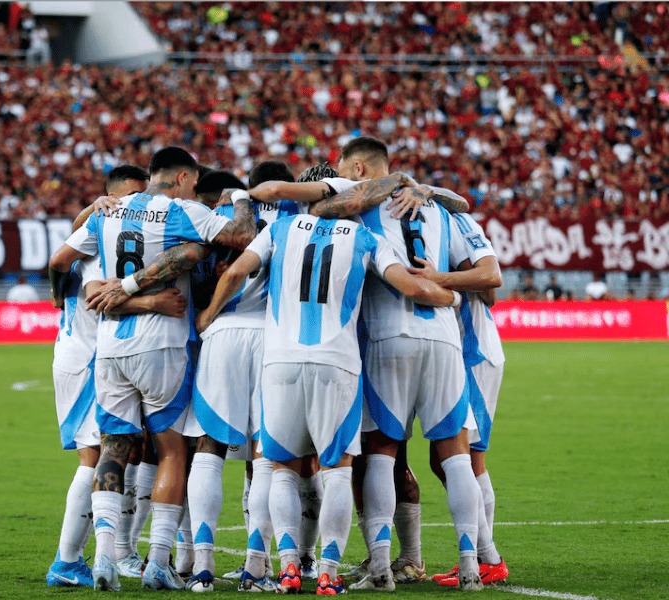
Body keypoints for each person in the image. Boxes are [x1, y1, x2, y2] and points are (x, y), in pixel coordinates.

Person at [195, 211, 457, 595]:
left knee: (282, 469)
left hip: (280, 360)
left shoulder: (282, 229)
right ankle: (329, 574)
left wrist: (207, 315)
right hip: (338, 363)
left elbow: (235, 273)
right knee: (337, 470)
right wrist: (450, 294)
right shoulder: (367, 237)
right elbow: (412, 288)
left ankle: (286, 568)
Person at [48, 147, 256, 592]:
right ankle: (159, 561)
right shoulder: (184, 210)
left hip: (108, 347)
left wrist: (58, 292)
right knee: (172, 450)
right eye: (195, 182)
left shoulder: (110, 211)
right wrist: (240, 195)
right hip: (162, 343)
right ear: (183, 177)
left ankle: (104, 558)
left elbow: (62, 258)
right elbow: (241, 236)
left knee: (113, 448)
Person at [298, 136, 486, 591]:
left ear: (358, 170)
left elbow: (318, 214)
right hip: (443, 336)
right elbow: (482, 258)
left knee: (381, 453)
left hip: (387, 335)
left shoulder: (357, 206)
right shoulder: (443, 210)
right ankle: (471, 566)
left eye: (343, 170)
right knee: (455, 455)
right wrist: (426, 189)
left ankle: (381, 568)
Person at [45, 167, 176, 588]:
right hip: (89, 358)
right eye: (138, 196)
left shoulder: (88, 236)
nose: (145, 205)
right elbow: (100, 298)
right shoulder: (103, 245)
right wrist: (156, 301)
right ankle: (70, 561)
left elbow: (60, 258)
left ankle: (109, 551)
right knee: (96, 457)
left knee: (121, 451)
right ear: (118, 198)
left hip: (75, 353)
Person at [182, 161, 302, 592]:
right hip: (272, 338)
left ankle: (202, 565)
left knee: (208, 447)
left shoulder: (222, 219)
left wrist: (208, 316)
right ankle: (255, 564)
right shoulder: (295, 222)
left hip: (223, 335)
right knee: (263, 452)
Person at [406, 211, 509, 586]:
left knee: (467, 456)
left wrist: (439, 278)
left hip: (472, 351)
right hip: (453, 352)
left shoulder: (455, 221)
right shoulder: (427, 222)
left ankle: (488, 559)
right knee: (443, 458)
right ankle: (485, 556)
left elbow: (492, 281)